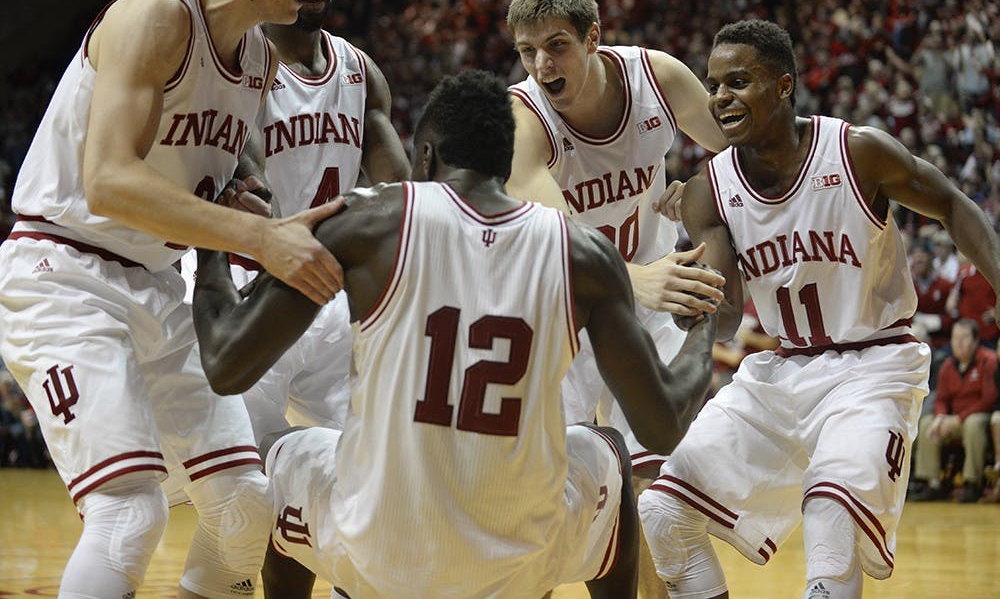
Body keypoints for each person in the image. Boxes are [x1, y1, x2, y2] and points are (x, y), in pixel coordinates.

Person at [190, 70, 719, 599]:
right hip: (519, 564)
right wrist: (705, 319)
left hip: (380, 553)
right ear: (508, 163)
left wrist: (214, 240)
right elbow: (663, 424)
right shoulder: (583, 252)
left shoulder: (369, 222)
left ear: (424, 157)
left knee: (288, 450)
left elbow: (226, 363)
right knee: (606, 450)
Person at [0, 0, 343, 597]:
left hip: (155, 282)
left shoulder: (258, 62)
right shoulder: (155, 15)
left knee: (245, 506)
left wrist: (230, 194)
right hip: (64, 271)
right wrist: (260, 235)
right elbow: (108, 182)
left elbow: (196, 173)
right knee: (129, 511)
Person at [637, 19, 1000, 599]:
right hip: (780, 373)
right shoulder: (709, 190)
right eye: (713, 84)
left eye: (738, 81)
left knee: (831, 520)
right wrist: (690, 315)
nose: (719, 97)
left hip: (873, 365)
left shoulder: (857, 152)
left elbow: (955, 206)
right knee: (662, 512)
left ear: (783, 86)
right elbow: (727, 308)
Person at [182, 0, 409, 443]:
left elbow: (400, 188)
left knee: (373, 454)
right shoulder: (243, 64)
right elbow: (255, 186)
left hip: (322, 285)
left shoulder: (360, 71)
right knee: (250, 480)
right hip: (246, 277)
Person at [505, 0, 728, 477]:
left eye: (557, 45)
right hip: (566, 302)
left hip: (656, 289)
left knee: (669, 476)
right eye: (527, 51)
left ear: (593, 37)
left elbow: (744, 149)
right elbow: (554, 238)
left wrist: (706, 183)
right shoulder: (523, 118)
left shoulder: (657, 78)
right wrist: (633, 278)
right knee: (557, 485)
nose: (542, 65)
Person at [910, 318, 998, 503]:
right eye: (955, 337)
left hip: (977, 416)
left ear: (975, 341)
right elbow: (941, 398)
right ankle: (931, 483)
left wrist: (959, 419)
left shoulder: (988, 361)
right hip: (954, 419)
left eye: (964, 338)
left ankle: (971, 483)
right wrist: (941, 417)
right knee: (928, 423)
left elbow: (988, 400)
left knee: (973, 425)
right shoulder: (948, 365)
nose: (958, 343)